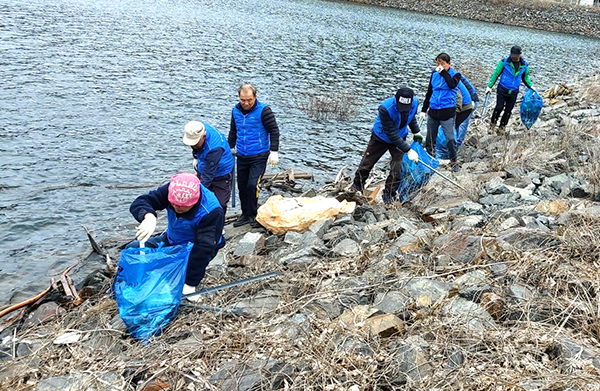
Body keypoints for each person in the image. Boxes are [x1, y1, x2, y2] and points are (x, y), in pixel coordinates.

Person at [129, 173, 225, 300]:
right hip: (172, 239)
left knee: (171, 284)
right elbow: (141, 202)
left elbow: (203, 249)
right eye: (173, 204)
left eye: (182, 206)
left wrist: (191, 283)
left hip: (194, 247)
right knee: (133, 249)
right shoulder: (172, 190)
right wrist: (148, 216)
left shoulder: (211, 211)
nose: (176, 207)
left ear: (195, 201)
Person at [351, 87, 421, 205]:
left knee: (397, 167)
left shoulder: (414, 103)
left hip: (400, 136)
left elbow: (411, 117)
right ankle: (357, 185)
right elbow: (392, 134)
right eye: (401, 107)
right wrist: (408, 151)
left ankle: (388, 193)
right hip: (381, 137)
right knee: (367, 163)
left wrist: (417, 132)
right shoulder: (385, 108)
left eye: (406, 108)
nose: (403, 110)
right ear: (395, 99)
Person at [228, 84, 280, 228]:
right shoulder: (235, 111)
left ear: (255, 97)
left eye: (249, 100)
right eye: (243, 100)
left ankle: (253, 214)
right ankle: (245, 214)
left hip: (259, 155)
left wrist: (274, 151)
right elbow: (233, 132)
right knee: (242, 186)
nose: (246, 103)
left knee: (252, 185)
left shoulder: (264, 111)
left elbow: (274, 131)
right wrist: (227, 149)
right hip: (242, 155)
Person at [419, 53, 462, 170]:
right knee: (430, 139)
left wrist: (443, 72)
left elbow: (452, 85)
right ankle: (430, 159)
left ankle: (454, 161)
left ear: (449, 64)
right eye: (438, 63)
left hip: (447, 113)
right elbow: (429, 93)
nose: (440, 66)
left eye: (443, 63)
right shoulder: (434, 75)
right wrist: (423, 110)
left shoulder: (456, 75)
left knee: (450, 139)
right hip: (433, 112)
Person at [182, 120, 234, 214]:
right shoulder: (199, 127)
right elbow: (195, 148)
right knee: (199, 202)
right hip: (204, 164)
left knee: (220, 203)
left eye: (195, 143)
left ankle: (218, 225)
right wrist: (196, 157)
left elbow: (208, 175)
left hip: (222, 172)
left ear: (204, 137)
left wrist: (198, 192)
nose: (192, 145)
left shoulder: (214, 148)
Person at [486, 45, 535, 134]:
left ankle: (502, 127)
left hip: (514, 91)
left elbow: (525, 78)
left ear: (520, 55)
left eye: (516, 56)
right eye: (513, 55)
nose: (514, 58)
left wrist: (531, 87)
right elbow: (496, 74)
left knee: (508, 110)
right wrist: (489, 86)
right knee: (499, 107)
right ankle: (492, 125)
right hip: (502, 89)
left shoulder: (524, 65)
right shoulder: (504, 62)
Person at [455, 75, 479, 148]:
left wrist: (471, 100)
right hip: (468, 101)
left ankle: (458, 144)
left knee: (462, 123)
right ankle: (455, 141)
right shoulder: (455, 76)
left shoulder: (456, 77)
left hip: (471, 102)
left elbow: (469, 88)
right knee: (457, 123)